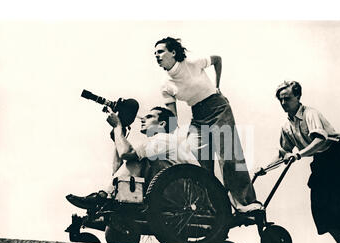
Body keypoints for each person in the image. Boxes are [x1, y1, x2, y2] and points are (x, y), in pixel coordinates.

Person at [153, 36, 262, 214]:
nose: (157, 56)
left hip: (218, 107)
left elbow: (217, 59)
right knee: (197, 162)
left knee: (229, 156)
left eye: (160, 51)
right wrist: (174, 137)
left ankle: (244, 203)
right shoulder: (165, 85)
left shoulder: (193, 63)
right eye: (154, 53)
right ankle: (209, 209)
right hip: (198, 116)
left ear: (173, 52)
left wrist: (218, 85)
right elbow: (173, 117)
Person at [268, 81, 340, 243]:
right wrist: (265, 168)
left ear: (298, 97)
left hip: (338, 157)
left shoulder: (310, 114)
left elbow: (320, 139)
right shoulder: (286, 127)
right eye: (281, 100)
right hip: (320, 162)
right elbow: (283, 153)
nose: (284, 103)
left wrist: (299, 154)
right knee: (320, 207)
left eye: (287, 99)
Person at [66, 103, 198, 209]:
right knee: (135, 161)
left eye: (149, 117)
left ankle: (102, 197)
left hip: (184, 193)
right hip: (174, 188)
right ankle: (105, 198)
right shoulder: (157, 143)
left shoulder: (164, 138)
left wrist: (118, 127)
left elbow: (126, 154)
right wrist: (117, 136)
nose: (143, 119)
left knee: (138, 160)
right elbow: (117, 171)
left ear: (162, 124)